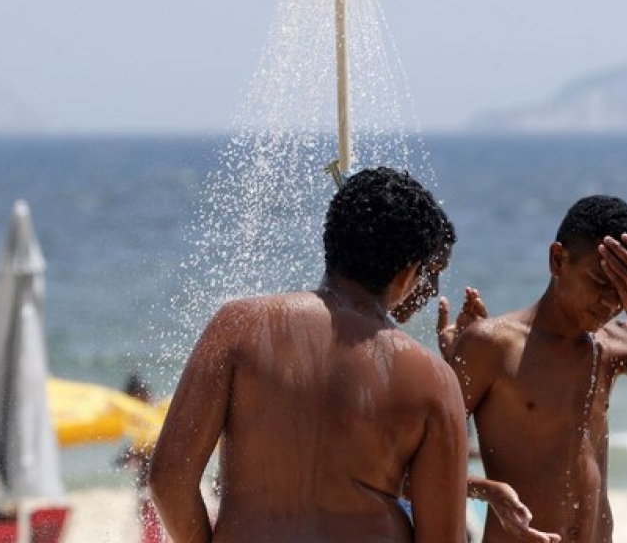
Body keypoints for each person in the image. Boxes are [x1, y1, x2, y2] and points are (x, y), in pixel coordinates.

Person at [150, 167, 470, 543]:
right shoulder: (434, 380)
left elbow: (168, 477)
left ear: (331, 241)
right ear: (407, 274)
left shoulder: (239, 325)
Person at [437, 195, 627, 542]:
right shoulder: (493, 345)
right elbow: (420, 467)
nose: (611, 302)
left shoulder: (618, 344)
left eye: (623, 290)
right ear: (558, 260)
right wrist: (487, 491)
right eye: (599, 282)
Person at [116, 372, 168, 543]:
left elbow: (149, 445)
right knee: (160, 530)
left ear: (136, 394)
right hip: (161, 485)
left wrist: (132, 455)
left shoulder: (152, 414)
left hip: (151, 486)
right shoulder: (159, 411)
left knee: (152, 532)